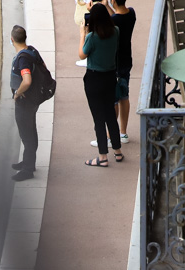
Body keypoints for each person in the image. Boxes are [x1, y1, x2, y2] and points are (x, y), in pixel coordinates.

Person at [78, 3, 121, 166]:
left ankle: (102, 156)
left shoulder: (92, 37)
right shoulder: (116, 31)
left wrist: (83, 33)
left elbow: (82, 55)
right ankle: (117, 151)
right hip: (110, 78)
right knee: (110, 114)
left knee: (98, 118)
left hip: (94, 79)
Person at [10, 25, 43, 182]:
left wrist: (18, 93)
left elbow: (27, 80)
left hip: (25, 102)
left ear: (12, 39)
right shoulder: (31, 50)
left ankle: (28, 169)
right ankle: (28, 161)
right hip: (33, 100)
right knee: (30, 130)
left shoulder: (23, 58)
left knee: (26, 135)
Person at [110, 0, 136, 145]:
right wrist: (109, 6)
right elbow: (117, 16)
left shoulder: (112, 21)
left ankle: (110, 135)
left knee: (113, 99)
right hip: (127, 60)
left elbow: (112, 20)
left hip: (115, 62)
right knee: (124, 95)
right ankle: (123, 133)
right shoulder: (131, 13)